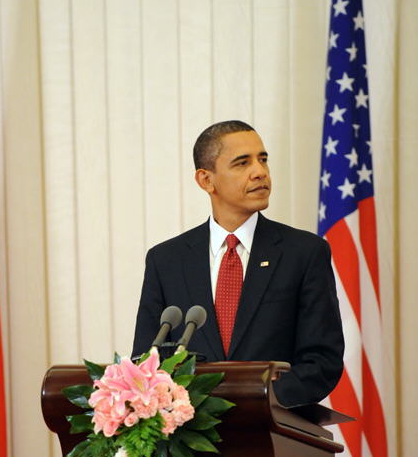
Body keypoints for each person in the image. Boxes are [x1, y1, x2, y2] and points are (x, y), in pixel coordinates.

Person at [132, 120, 344, 409]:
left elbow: (322, 362)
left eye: (263, 159)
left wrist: (254, 401)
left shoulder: (304, 253)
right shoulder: (166, 260)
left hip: (275, 435)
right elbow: (147, 359)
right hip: (192, 440)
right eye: (242, 163)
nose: (260, 172)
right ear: (206, 180)